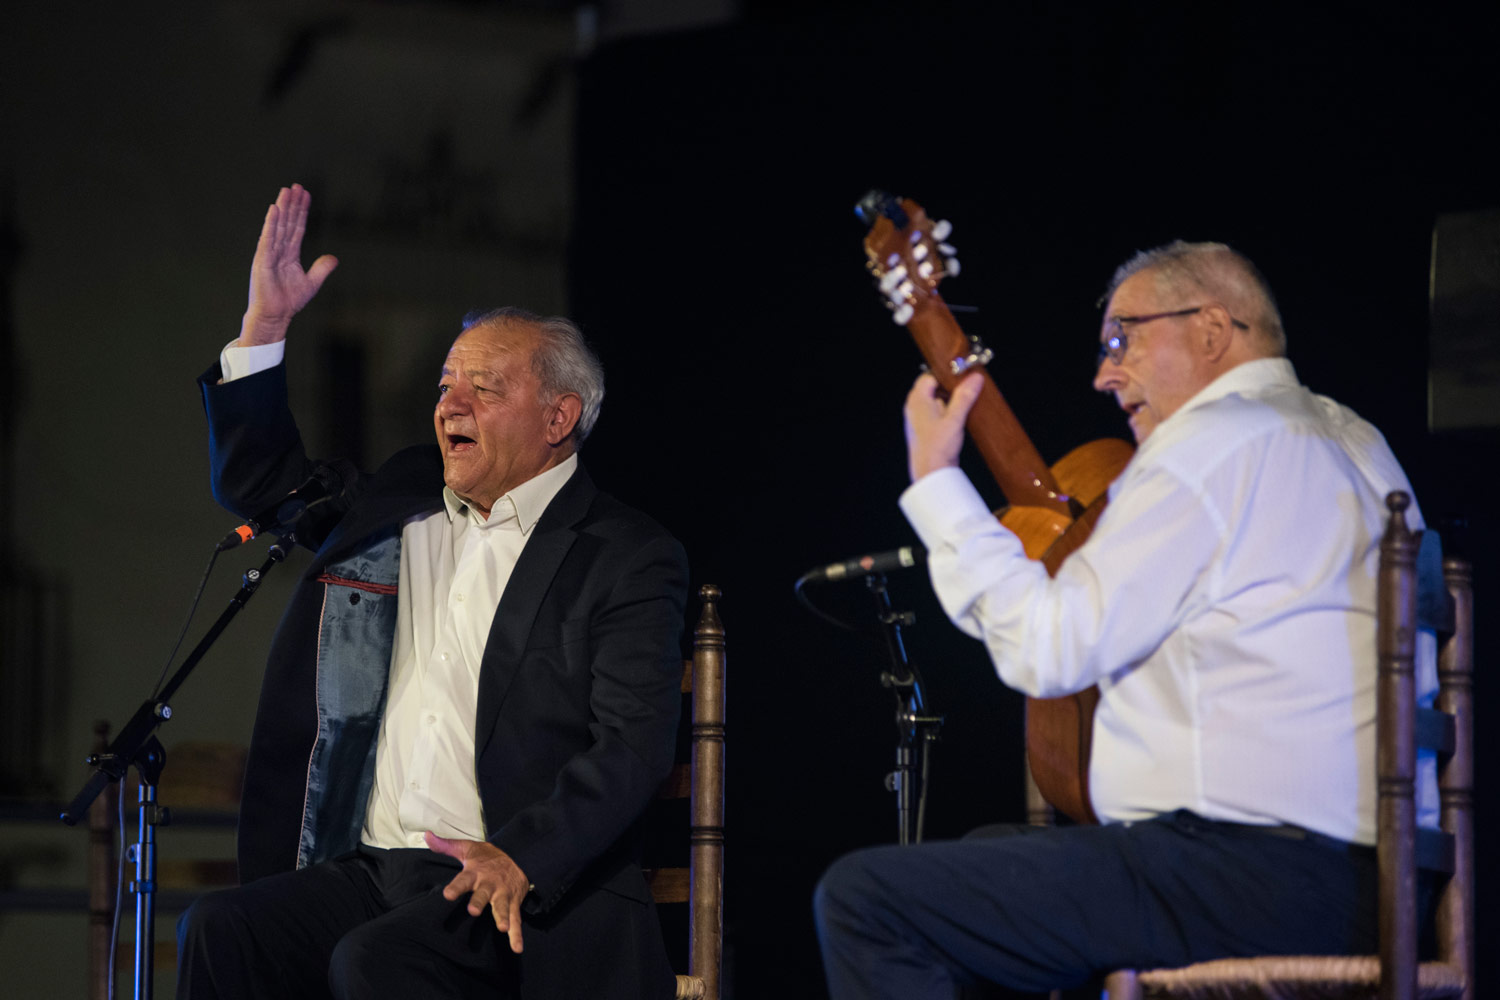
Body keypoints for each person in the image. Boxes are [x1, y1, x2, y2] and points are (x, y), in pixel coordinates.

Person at [815, 241, 1431, 997]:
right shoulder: (1357, 440)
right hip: (1383, 886)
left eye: (1122, 339)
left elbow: (1049, 648)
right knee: (990, 858)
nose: (1104, 374)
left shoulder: (1209, 443)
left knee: (867, 901)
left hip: (1242, 876)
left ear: (1211, 330)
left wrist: (937, 481)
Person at [178, 184, 689, 1000]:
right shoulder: (401, 500)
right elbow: (264, 483)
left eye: (483, 388)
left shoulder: (624, 554)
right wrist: (264, 331)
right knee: (220, 930)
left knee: (375, 962)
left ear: (559, 418)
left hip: (514, 883)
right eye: (448, 383)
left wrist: (527, 854)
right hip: (369, 867)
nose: (450, 402)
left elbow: (632, 747)